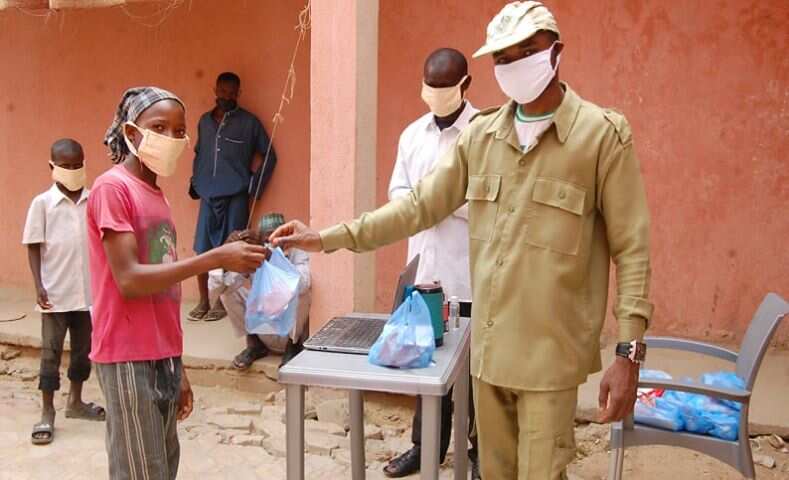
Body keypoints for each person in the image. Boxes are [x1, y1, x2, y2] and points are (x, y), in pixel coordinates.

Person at [269, 2, 654, 478]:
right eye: (503, 57)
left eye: (526, 51)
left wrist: (628, 354)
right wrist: (325, 238)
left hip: (550, 360)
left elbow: (632, 249)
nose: (514, 65)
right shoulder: (482, 138)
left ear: (556, 52)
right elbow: (416, 208)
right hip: (487, 355)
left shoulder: (600, 136)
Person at [89, 86, 269, 479]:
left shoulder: (156, 195)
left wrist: (178, 366)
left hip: (161, 358)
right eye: (159, 127)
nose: (171, 139)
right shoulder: (112, 188)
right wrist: (214, 257)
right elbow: (130, 280)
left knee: (162, 468)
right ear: (132, 134)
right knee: (141, 472)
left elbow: (165, 299)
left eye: (179, 130)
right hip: (127, 357)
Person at [383, 48, 479, 479]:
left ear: (465, 85)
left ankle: (479, 451)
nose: (435, 94)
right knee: (426, 364)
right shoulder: (412, 135)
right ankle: (426, 448)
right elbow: (398, 192)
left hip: (471, 276)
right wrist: (421, 204)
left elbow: (486, 203)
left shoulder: (483, 134)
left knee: (477, 374)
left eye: (445, 87)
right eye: (430, 85)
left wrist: (441, 204)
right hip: (424, 276)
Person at [23, 139, 105, 445]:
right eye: (65, 166)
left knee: (83, 352)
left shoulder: (94, 199)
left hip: (87, 294)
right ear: (52, 167)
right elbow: (33, 245)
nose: (72, 171)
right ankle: (47, 411)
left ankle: (76, 402)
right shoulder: (42, 203)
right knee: (50, 353)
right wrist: (38, 285)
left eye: (77, 165)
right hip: (55, 294)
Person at [188, 71, 278, 322]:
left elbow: (270, 155)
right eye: (222, 91)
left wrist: (254, 187)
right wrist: (196, 182)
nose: (225, 97)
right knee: (202, 250)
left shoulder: (249, 123)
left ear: (238, 93)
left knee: (233, 249)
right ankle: (203, 300)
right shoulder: (204, 122)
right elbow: (198, 153)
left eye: (231, 93)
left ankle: (221, 301)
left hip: (236, 195)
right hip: (208, 195)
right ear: (214, 90)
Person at [208, 213, 311, 369]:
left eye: (276, 235)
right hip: (264, 328)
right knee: (228, 291)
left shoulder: (298, 251)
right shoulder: (254, 253)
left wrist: (271, 258)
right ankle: (255, 344)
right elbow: (218, 289)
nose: (272, 242)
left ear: (286, 235)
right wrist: (225, 256)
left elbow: (302, 283)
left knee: (302, 292)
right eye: (267, 238)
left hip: (291, 330)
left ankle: (293, 346)